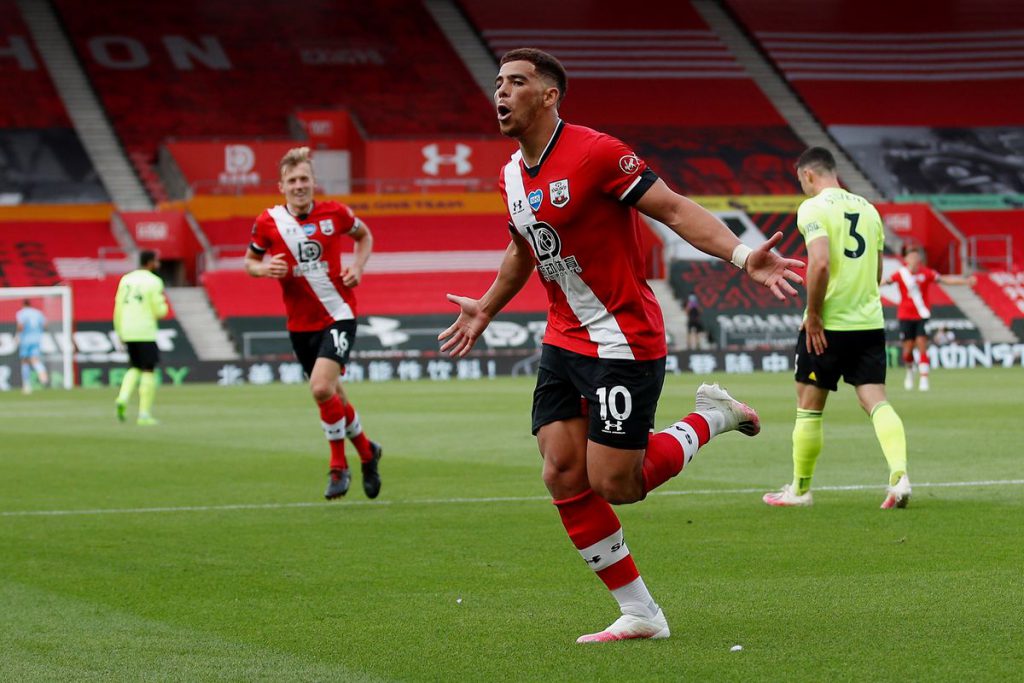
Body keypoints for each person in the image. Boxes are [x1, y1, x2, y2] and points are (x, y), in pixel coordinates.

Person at [439, 48, 803, 643]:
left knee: (617, 485)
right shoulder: (510, 173)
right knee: (560, 470)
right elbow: (524, 248)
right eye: (497, 83)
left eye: (516, 83)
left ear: (549, 95)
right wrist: (486, 305)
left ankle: (712, 417)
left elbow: (675, 209)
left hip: (621, 339)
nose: (500, 93)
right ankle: (642, 614)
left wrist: (742, 256)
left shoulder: (597, 153)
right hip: (563, 340)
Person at [763, 147, 911, 511]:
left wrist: (814, 314)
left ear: (809, 175)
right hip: (869, 322)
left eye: (801, 181)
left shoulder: (813, 208)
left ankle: (800, 490)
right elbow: (876, 273)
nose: (803, 187)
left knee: (809, 405)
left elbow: (821, 263)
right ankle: (900, 476)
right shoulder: (869, 209)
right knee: (876, 400)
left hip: (828, 326)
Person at [245, 146, 382, 500]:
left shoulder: (334, 213)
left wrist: (358, 267)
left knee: (321, 388)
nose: (299, 185)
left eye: (304, 178)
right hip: (300, 324)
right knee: (333, 394)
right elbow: (249, 261)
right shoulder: (268, 222)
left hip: (338, 313)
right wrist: (263, 269)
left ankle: (339, 466)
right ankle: (368, 452)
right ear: (282, 187)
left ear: (313, 182)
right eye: (292, 180)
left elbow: (364, 236)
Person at [884, 246, 975, 391]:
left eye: (916, 256)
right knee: (907, 351)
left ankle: (924, 378)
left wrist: (964, 281)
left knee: (921, 344)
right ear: (906, 259)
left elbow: (944, 280)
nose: (914, 259)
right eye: (911, 257)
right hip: (905, 316)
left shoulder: (926, 273)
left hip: (922, 315)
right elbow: (884, 282)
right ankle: (909, 371)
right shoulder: (900, 274)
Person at [114, 250, 169, 425]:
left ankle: (122, 397)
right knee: (148, 369)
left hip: (127, 329)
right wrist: (163, 309)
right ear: (151, 262)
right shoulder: (154, 281)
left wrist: (119, 331)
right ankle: (144, 414)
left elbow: (118, 307)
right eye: (157, 261)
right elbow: (159, 310)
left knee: (134, 366)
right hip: (144, 330)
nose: (158, 265)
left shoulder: (126, 279)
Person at [15, 299, 49, 394]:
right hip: (37, 339)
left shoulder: (21, 313)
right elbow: (45, 324)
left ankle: (26, 385)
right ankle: (44, 378)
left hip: (25, 340)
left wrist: (17, 336)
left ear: (23, 305)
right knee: (35, 360)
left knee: (25, 361)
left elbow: (21, 325)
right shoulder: (38, 313)